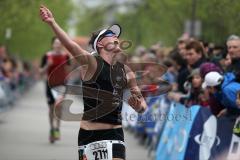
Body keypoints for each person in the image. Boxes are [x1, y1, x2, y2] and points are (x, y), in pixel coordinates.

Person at [40, 5, 147, 160]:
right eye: (111, 35)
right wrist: (52, 23)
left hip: (115, 133)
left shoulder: (126, 71)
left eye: (117, 36)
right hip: (89, 134)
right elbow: (71, 45)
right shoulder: (91, 63)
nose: (116, 38)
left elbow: (142, 104)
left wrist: (140, 107)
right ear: (101, 44)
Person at [40, 37, 70, 143]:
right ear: (52, 44)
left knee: (59, 106)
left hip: (61, 85)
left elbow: (69, 69)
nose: (57, 45)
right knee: (52, 108)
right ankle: (52, 128)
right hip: (50, 85)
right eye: (56, 43)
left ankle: (57, 128)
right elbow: (40, 72)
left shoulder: (65, 56)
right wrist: (47, 65)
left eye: (59, 43)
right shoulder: (47, 56)